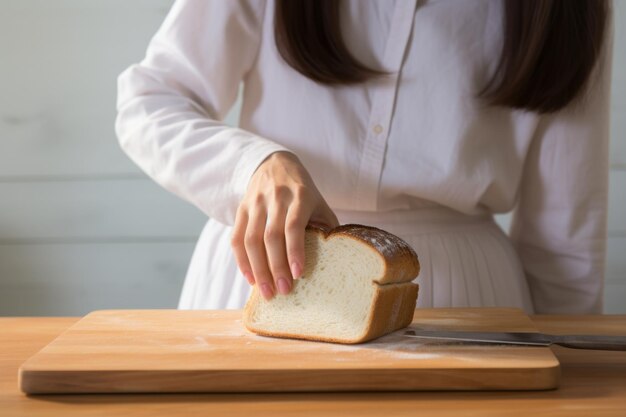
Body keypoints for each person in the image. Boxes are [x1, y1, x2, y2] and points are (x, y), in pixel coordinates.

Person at [115, 0, 612, 314]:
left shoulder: (567, 10)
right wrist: (252, 166)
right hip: (271, 276)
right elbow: (150, 102)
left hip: (461, 300)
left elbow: (564, 239)